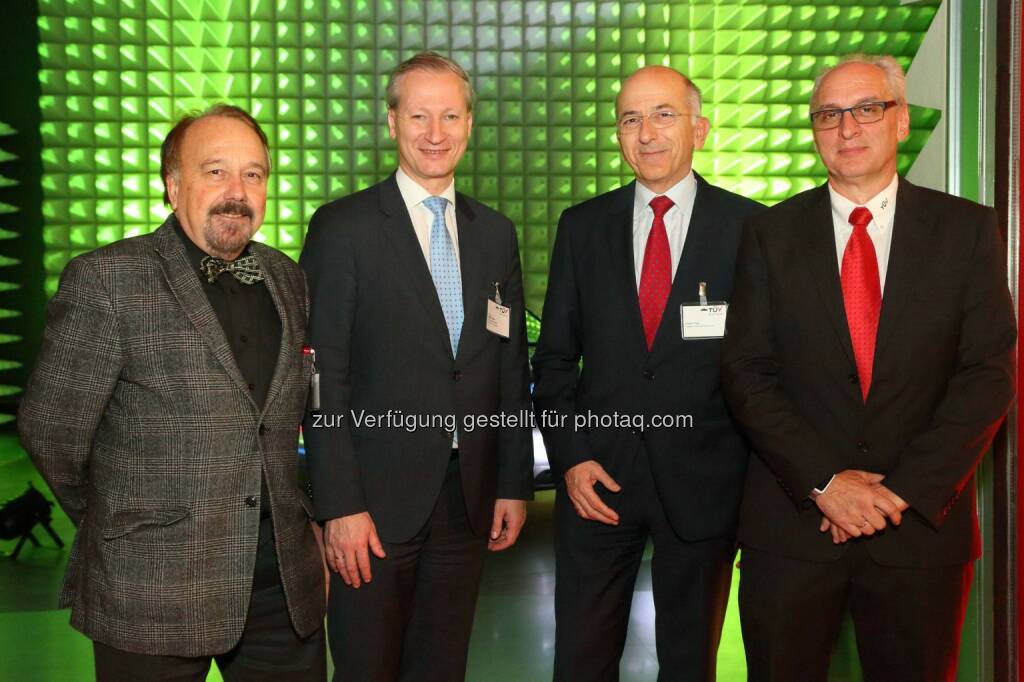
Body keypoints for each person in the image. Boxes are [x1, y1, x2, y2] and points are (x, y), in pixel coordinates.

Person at [721, 54, 1016, 682]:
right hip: (794, 530)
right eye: (829, 115)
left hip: (918, 534)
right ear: (814, 130)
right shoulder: (768, 234)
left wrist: (897, 493)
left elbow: (987, 375)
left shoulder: (966, 232)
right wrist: (827, 483)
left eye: (866, 109)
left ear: (901, 121)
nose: (847, 128)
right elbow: (747, 372)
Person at [18, 104, 326, 680]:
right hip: (150, 587)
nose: (237, 191)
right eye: (215, 171)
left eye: (253, 174)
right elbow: (49, 430)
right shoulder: (107, 279)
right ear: (172, 184)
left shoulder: (288, 278)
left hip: (279, 590)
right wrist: (125, 525)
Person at [300, 51, 534, 681]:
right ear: (391, 121)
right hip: (372, 509)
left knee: (442, 667)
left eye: (451, 115)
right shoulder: (342, 228)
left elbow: (510, 367)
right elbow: (324, 382)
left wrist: (512, 482)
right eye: (420, 115)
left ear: (470, 124)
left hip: (466, 499)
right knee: (367, 668)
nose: (436, 133)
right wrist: (338, 504)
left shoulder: (495, 233)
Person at [531, 65, 762, 681]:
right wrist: (571, 458)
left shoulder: (753, 229)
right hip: (596, 481)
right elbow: (553, 360)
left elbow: (768, 370)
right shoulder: (582, 228)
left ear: (701, 128)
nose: (647, 133)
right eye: (630, 119)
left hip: (706, 484)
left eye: (664, 114)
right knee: (580, 660)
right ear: (617, 135)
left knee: (690, 664)